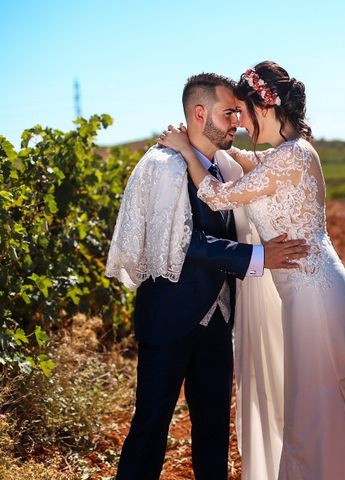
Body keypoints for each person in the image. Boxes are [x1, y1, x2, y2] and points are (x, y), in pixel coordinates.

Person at [158, 61, 345, 480]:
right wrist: (212, 142)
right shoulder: (289, 154)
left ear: (262, 107)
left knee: (316, 409)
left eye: (242, 112)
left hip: (312, 297)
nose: (240, 122)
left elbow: (215, 195)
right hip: (309, 291)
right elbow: (250, 159)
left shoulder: (290, 159)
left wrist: (183, 149)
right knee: (318, 405)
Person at [107, 72, 308, 480]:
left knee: (214, 431)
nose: (238, 120)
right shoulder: (163, 166)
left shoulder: (223, 164)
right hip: (169, 320)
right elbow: (182, 243)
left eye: (238, 111)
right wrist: (257, 256)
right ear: (200, 113)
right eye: (229, 112)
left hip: (218, 319)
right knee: (150, 428)